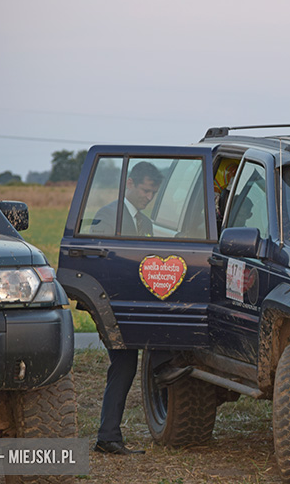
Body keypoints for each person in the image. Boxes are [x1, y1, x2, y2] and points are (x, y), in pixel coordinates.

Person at [92, 161, 175, 456]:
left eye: (153, 192)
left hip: (135, 307)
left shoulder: (145, 222)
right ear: (129, 183)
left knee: (151, 354)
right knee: (125, 365)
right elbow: (102, 264)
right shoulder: (107, 217)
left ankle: (109, 434)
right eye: (145, 190)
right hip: (116, 307)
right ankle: (108, 436)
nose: (148, 197)